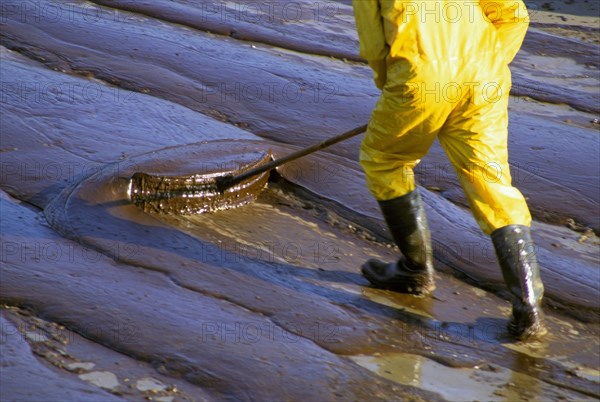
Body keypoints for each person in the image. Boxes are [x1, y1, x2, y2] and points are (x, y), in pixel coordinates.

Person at [352, 0, 546, 341]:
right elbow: (514, 14)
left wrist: (392, 86)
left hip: (420, 77)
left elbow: (373, 46)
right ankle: (528, 307)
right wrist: (489, 62)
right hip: (485, 76)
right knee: (491, 182)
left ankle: (415, 271)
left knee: (384, 161)